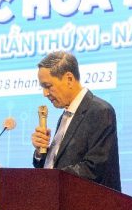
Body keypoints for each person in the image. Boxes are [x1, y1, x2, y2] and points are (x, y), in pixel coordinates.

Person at [31, 51, 121, 192]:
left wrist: (50, 178)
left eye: (48, 86)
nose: (45, 93)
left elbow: (94, 169)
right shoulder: (65, 116)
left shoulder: (100, 111)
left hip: (89, 202)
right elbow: (57, 164)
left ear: (69, 79)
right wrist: (40, 152)